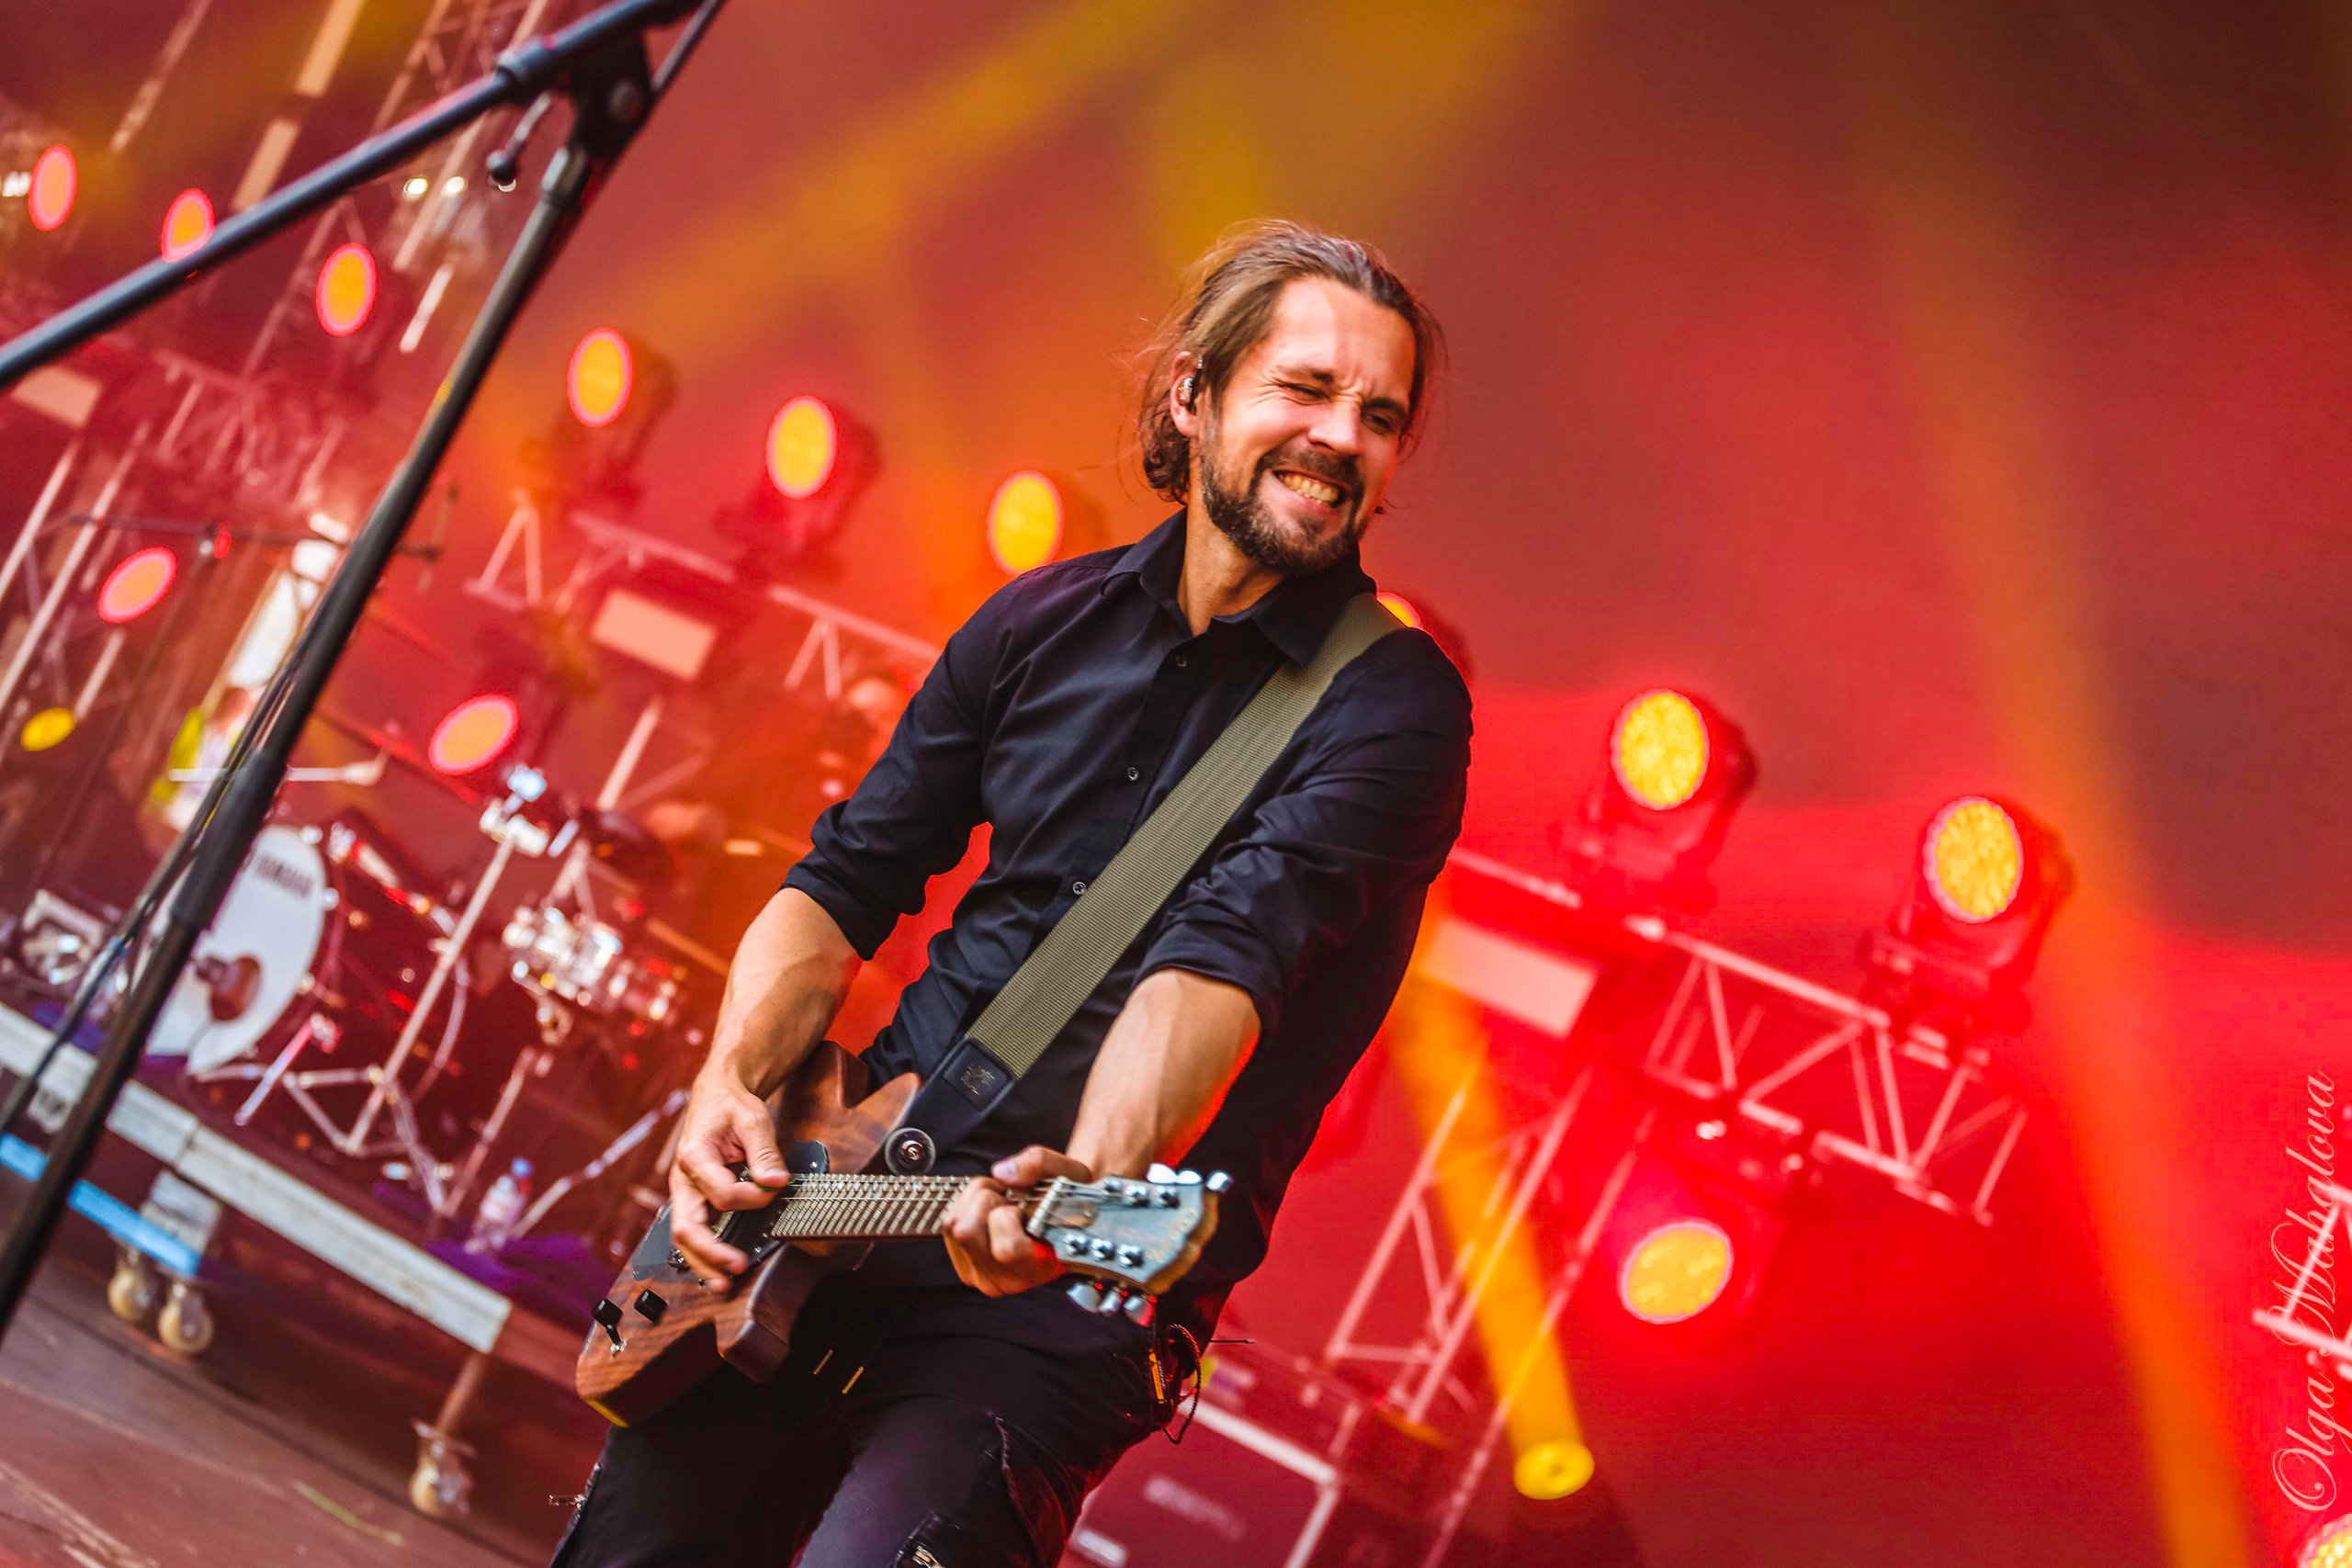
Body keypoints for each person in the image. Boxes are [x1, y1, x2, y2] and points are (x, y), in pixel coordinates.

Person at [554, 220, 1471, 1568]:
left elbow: (1221, 965)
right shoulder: (1038, 623)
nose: (1343, 436)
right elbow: (846, 880)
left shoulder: (1393, 705)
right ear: (1194, 394)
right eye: (1305, 388)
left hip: (1054, 1296)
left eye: (1380, 416)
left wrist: (1089, 1177)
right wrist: (731, 1086)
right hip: (830, 1199)